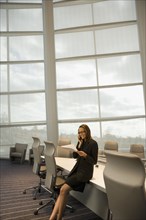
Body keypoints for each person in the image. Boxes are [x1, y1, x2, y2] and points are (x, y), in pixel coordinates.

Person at [49, 124, 98, 220]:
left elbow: (94, 161)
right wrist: (79, 145)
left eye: (83, 132)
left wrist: (85, 155)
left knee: (63, 190)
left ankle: (57, 218)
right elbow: (75, 156)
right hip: (77, 170)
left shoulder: (93, 143)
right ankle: (53, 218)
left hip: (85, 173)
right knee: (63, 191)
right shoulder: (81, 142)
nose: (81, 134)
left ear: (87, 131)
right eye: (79, 132)